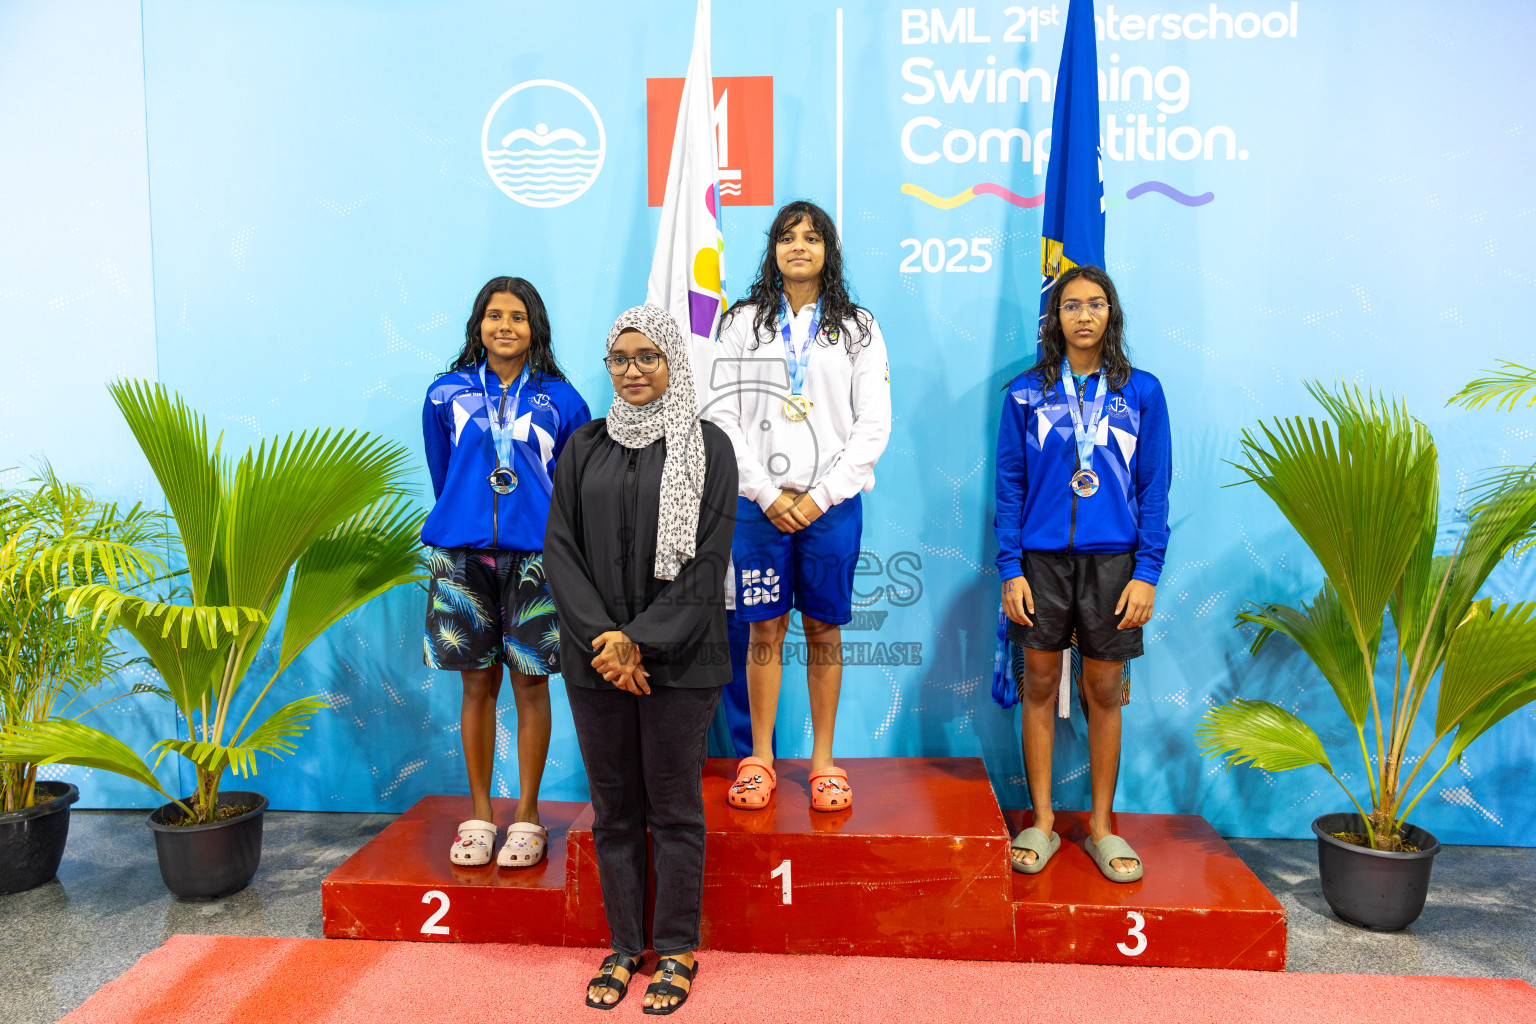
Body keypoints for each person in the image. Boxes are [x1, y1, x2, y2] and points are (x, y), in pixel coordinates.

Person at [544, 304, 737, 1014]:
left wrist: (641, 640)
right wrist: (606, 640)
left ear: (673, 363)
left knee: (675, 808)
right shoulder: (583, 445)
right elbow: (558, 549)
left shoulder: (709, 445)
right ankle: (626, 945)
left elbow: (708, 559)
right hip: (595, 661)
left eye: (647, 357)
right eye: (620, 358)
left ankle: (677, 949)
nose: (632, 371)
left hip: (680, 660)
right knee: (614, 811)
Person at [708, 199, 891, 812]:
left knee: (824, 628)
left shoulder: (859, 326)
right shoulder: (743, 324)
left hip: (831, 506)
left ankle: (822, 760)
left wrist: (816, 498)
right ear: (773, 250)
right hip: (757, 505)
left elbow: (873, 426)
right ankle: (758, 757)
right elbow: (722, 415)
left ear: (828, 250)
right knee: (762, 626)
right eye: (787, 238)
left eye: (811, 238)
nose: (799, 248)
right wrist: (765, 492)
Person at [993, 265, 1171, 882]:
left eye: (1096, 304)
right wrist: (1010, 568)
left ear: (1111, 314)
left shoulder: (1142, 392)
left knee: (1103, 694)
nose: (1084, 315)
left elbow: (1155, 489)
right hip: (1040, 565)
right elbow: (1009, 487)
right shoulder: (1023, 393)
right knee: (1038, 686)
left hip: (1115, 565)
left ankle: (1100, 826)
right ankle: (1041, 819)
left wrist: (1146, 572)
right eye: (1072, 305)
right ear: (1056, 317)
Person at [420, 276, 589, 869]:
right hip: (461, 555)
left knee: (532, 684)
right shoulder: (446, 395)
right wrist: (470, 516)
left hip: (537, 558)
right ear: (478, 324)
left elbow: (571, 488)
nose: (505, 326)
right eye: (495, 315)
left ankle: (527, 816)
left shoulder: (563, 401)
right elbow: (444, 477)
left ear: (534, 327)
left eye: (518, 316)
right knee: (475, 686)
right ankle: (479, 814)